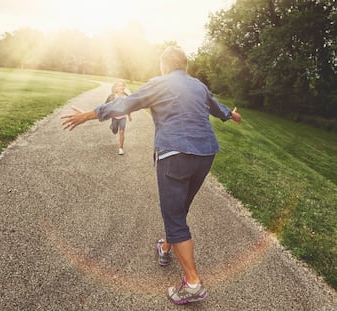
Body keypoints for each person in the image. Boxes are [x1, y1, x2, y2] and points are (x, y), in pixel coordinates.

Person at [61, 46, 241, 305]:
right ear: (185, 66)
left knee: (174, 215)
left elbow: (124, 103)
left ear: (164, 66)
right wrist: (232, 115)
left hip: (174, 155)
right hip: (205, 155)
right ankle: (166, 247)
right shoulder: (198, 86)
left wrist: (88, 115)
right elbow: (217, 107)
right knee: (179, 209)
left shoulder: (159, 83)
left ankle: (192, 283)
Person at [104, 80, 132, 155]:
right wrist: (106, 115)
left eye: (122, 85)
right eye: (119, 86)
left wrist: (129, 116)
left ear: (124, 87)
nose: (121, 87)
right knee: (114, 131)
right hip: (114, 117)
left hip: (123, 117)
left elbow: (129, 107)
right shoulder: (112, 96)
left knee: (122, 132)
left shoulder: (126, 97)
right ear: (116, 87)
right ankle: (112, 126)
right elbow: (105, 106)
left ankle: (121, 148)